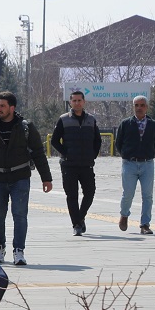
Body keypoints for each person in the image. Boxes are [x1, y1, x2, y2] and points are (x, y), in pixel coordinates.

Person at [0, 92, 52, 266]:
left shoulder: (26, 127)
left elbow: (38, 153)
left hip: (20, 178)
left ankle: (19, 251)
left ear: (12, 108)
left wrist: (46, 178)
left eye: (2, 106)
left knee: (20, 215)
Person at [51, 90, 102, 236]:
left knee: (90, 193)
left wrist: (93, 154)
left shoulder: (91, 120)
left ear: (84, 102)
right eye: (74, 101)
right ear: (70, 103)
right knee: (72, 196)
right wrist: (66, 153)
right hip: (69, 165)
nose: (77, 103)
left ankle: (80, 216)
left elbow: (97, 140)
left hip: (86, 164)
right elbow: (55, 140)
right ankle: (76, 225)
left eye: (80, 100)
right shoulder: (64, 119)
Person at [114, 95, 155, 235]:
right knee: (128, 194)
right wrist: (126, 154)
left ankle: (145, 224)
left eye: (142, 105)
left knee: (148, 196)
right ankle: (124, 215)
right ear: (133, 107)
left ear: (146, 107)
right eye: (136, 105)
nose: (139, 108)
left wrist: (148, 154)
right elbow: (119, 143)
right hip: (129, 164)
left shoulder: (153, 125)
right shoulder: (126, 123)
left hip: (147, 164)